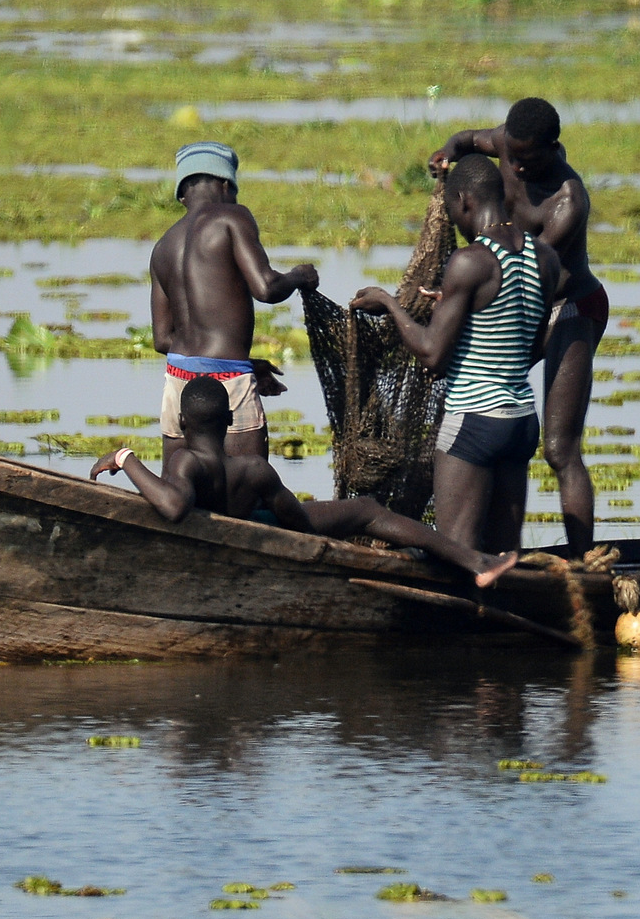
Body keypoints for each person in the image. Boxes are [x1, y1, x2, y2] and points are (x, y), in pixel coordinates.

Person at [91, 377, 518, 588]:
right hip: (264, 525)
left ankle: (475, 564)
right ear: (229, 422)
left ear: (182, 422)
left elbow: (172, 505)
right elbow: (295, 521)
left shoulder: (184, 460)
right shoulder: (253, 469)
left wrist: (125, 459)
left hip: (241, 532)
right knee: (366, 510)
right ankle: (475, 561)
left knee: (362, 509)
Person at [349, 153, 559, 558]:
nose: (454, 222)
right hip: (519, 422)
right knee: (503, 556)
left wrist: (391, 305)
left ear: (464, 200)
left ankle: (460, 619)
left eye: (450, 210)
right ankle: (501, 620)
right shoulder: (544, 258)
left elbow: (431, 354)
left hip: (475, 420)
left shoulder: (469, 262)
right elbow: (530, 339)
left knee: (459, 553)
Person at [428, 98, 602, 556]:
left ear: (554, 148)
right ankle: (494, 551)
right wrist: (446, 150)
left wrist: (457, 301)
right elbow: (466, 141)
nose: (518, 167)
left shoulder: (568, 201)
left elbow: (523, 266)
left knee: (560, 448)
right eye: (512, 156)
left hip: (568, 306)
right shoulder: (505, 142)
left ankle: (587, 561)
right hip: (523, 301)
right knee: (499, 404)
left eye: (529, 159)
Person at [150, 141, 319, 462]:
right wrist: (300, 276)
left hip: (178, 380)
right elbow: (267, 288)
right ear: (226, 185)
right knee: (250, 489)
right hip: (228, 381)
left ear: (183, 196)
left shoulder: (163, 245)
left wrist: (245, 364)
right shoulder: (231, 217)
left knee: (178, 490)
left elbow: (162, 339)